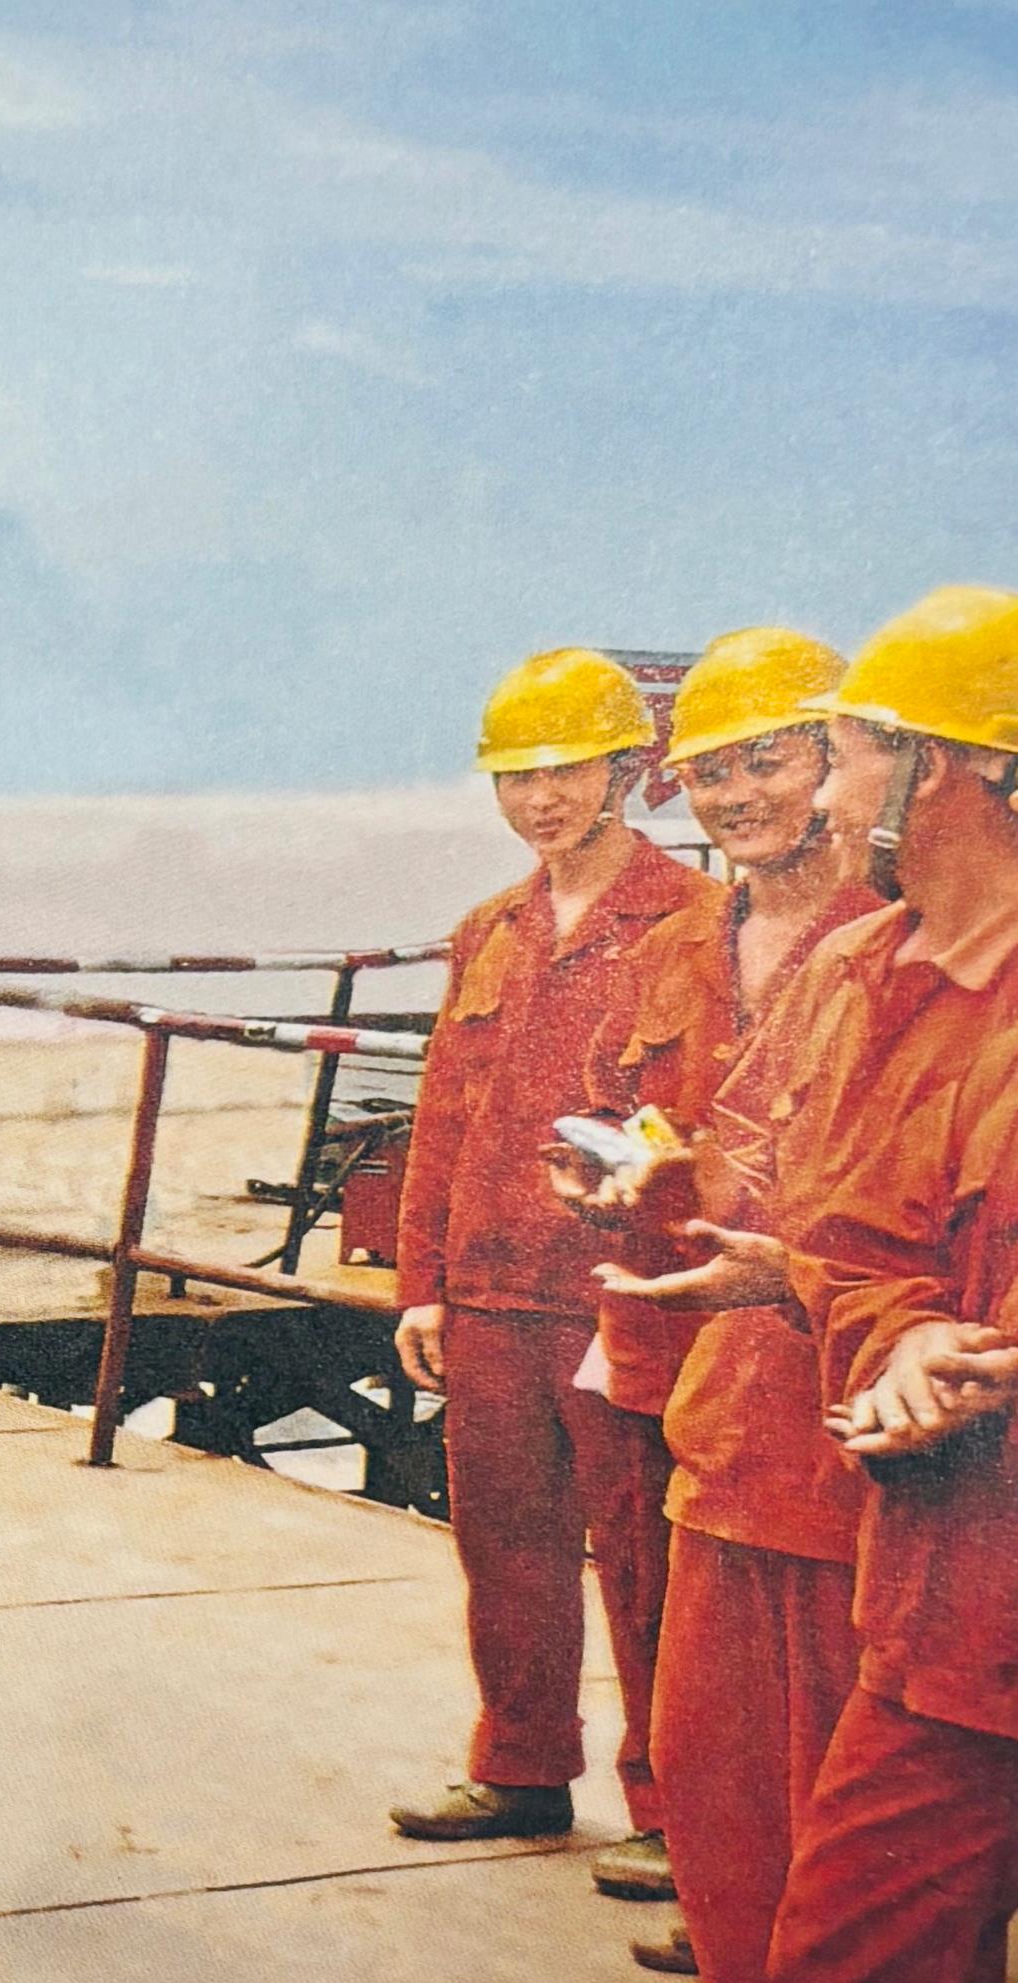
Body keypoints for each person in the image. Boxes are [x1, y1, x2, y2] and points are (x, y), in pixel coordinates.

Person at [609, 586, 1018, 1983]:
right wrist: (788, 1273)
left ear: (941, 767)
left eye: (828, 757)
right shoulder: (866, 965)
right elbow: (853, 1234)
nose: (823, 799)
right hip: (913, 1558)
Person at [560, 628, 876, 1978]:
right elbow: (633, 1107)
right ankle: (735, 1907)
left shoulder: (900, 931)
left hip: (851, 1376)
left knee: (846, 1712)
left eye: (769, 760)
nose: (738, 795)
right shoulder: (685, 939)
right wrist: (610, 1175)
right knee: (710, 1709)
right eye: (710, 771)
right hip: (695, 1362)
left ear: (840, 762)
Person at [388, 649, 720, 1883]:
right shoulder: (489, 930)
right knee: (504, 1547)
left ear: (625, 769)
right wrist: (420, 1285)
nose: (541, 798)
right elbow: (442, 1119)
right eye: (517, 776)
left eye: (567, 769)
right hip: (487, 1293)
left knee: (647, 1558)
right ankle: (520, 1768)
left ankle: (672, 1810)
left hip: (614, 1293)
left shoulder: (693, 922)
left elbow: (703, 1117)